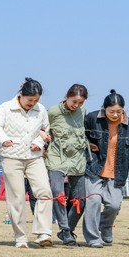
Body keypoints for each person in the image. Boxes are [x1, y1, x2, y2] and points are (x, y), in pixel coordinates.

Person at [82, 90, 129, 248]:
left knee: (114, 205)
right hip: (93, 169)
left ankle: (105, 226)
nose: (115, 115)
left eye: (119, 111)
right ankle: (93, 239)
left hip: (117, 172)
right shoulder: (91, 119)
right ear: (104, 108)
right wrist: (86, 143)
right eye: (111, 111)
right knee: (93, 201)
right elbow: (78, 135)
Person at [0, 78, 52, 248]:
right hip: (11, 156)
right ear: (21, 94)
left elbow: (46, 130)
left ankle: (44, 233)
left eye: (36, 100)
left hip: (34, 156)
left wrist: (39, 143)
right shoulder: (5, 107)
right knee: (16, 197)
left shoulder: (41, 109)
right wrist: (3, 139)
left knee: (45, 191)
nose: (32, 103)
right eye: (29, 100)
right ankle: (21, 238)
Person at [45, 84, 89, 246]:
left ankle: (68, 231)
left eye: (80, 103)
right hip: (56, 157)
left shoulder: (82, 112)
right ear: (66, 96)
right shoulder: (52, 112)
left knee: (81, 199)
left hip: (77, 159)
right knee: (58, 194)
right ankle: (64, 229)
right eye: (74, 101)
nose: (76, 105)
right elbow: (41, 128)